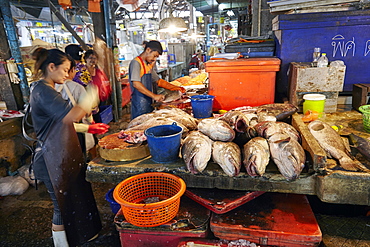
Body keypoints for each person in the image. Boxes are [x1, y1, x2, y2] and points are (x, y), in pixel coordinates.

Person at [28, 48, 102, 246]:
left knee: (70, 204)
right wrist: (89, 98)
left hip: (59, 156)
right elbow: (70, 116)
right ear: (51, 67)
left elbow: (60, 123)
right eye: (65, 70)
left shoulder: (47, 89)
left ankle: (75, 239)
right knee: (61, 208)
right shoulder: (43, 90)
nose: (68, 75)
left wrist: (88, 127)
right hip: (50, 160)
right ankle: (61, 244)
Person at [55, 56, 109, 160]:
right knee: (80, 152)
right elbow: (87, 111)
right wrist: (90, 124)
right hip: (76, 129)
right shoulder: (76, 87)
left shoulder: (52, 87)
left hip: (59, 136)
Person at [128, 40, 185, 119]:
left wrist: (174, 87)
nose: (154, 59)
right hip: (139, 104)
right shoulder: (136, 63)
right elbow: (136, 84)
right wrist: (154, 96)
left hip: (148, 102)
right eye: (154, 56)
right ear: (148, 50)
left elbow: (158, 81)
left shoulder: (148, 65)